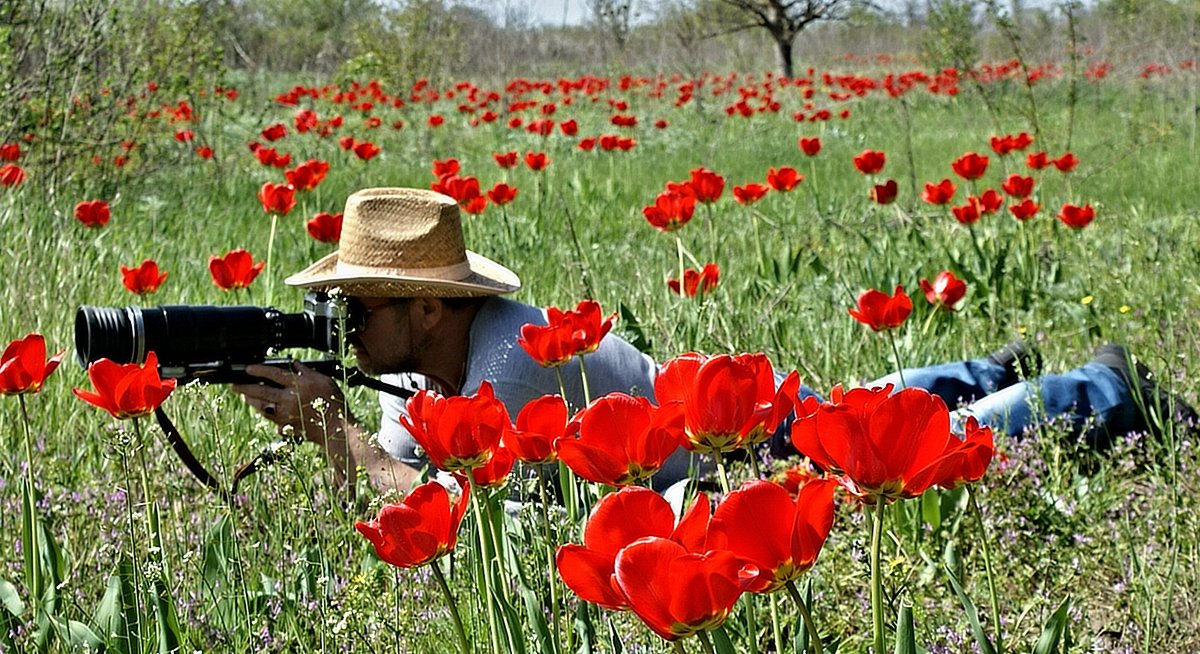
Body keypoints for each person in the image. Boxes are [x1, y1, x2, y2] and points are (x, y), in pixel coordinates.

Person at [234, 187, 1195, 493]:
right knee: (857, 400)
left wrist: (340, 441)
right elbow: (407, 460)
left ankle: (1100, 394)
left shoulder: (512, 358)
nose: (343, 324)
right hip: (738, 417)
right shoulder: (437, 368)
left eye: (360, 306)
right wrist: (323, 420)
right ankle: (981, 366)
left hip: (746, 452)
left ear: (430, 310)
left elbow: (458, 514)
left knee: (921, 448)